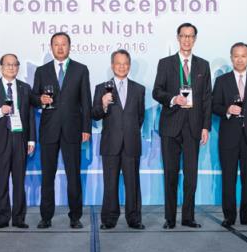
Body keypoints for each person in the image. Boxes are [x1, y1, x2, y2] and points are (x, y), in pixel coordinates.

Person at [153, 23, 212, 228]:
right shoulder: (165, 63)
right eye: (183, 36)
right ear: (178, 38)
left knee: (191, 176)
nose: (187, 39)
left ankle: (188, 217)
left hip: (193, 128)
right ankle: (170, 219)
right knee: (170, 174)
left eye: (190, 36)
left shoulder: (203, 65)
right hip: (171, 126)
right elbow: (157, 91)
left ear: (195, 39)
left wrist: (205, 127)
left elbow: (207, 98)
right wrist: (172, 99)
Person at [31, 32, 92, 229]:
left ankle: (75, 216)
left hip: (73, 129)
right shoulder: (42, 71)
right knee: (47, 175)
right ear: (51, 47)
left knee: (73, 175)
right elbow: (33, 97)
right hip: (49, 129)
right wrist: (40, 99)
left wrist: (86, 128)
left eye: (63, 44)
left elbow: (86, 101)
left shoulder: (81, 69)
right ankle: (46, 216)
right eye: (56, 44)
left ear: (69, 46)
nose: (60, 48)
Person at [212, 42, 247, 227]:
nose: (240, 59)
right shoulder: (222, 81)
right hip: (229, 137)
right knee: (228, 178)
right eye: (236, 56)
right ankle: (229, 216)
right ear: (231, 58)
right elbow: (214, 105)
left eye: (243, 56)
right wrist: (227, 109)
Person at [91, 49, 147, 230]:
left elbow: (140, 117)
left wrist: (129, 131)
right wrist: (103, 104)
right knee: (110, 183)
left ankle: (134, 219)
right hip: (110, 143)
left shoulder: (139, 89)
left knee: (133, 183)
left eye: (125, 63)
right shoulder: (101, 88)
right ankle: (109, 219)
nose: (122, 67)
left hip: (131, 143)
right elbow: (95, 114)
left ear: (129, 66)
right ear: (112, 65)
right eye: (118, 63)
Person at [0, 54, 35, 229]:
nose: (11, 67)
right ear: (1, 67)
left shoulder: (25, 88)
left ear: (18, 67)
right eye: (8, 64)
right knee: (2, 181)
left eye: (14, 64)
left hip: (20, 138)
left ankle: (19, 218)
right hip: (0, 140)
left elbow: (30, 115)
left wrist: (31, 139)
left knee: (19, 181)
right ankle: (2, 218)